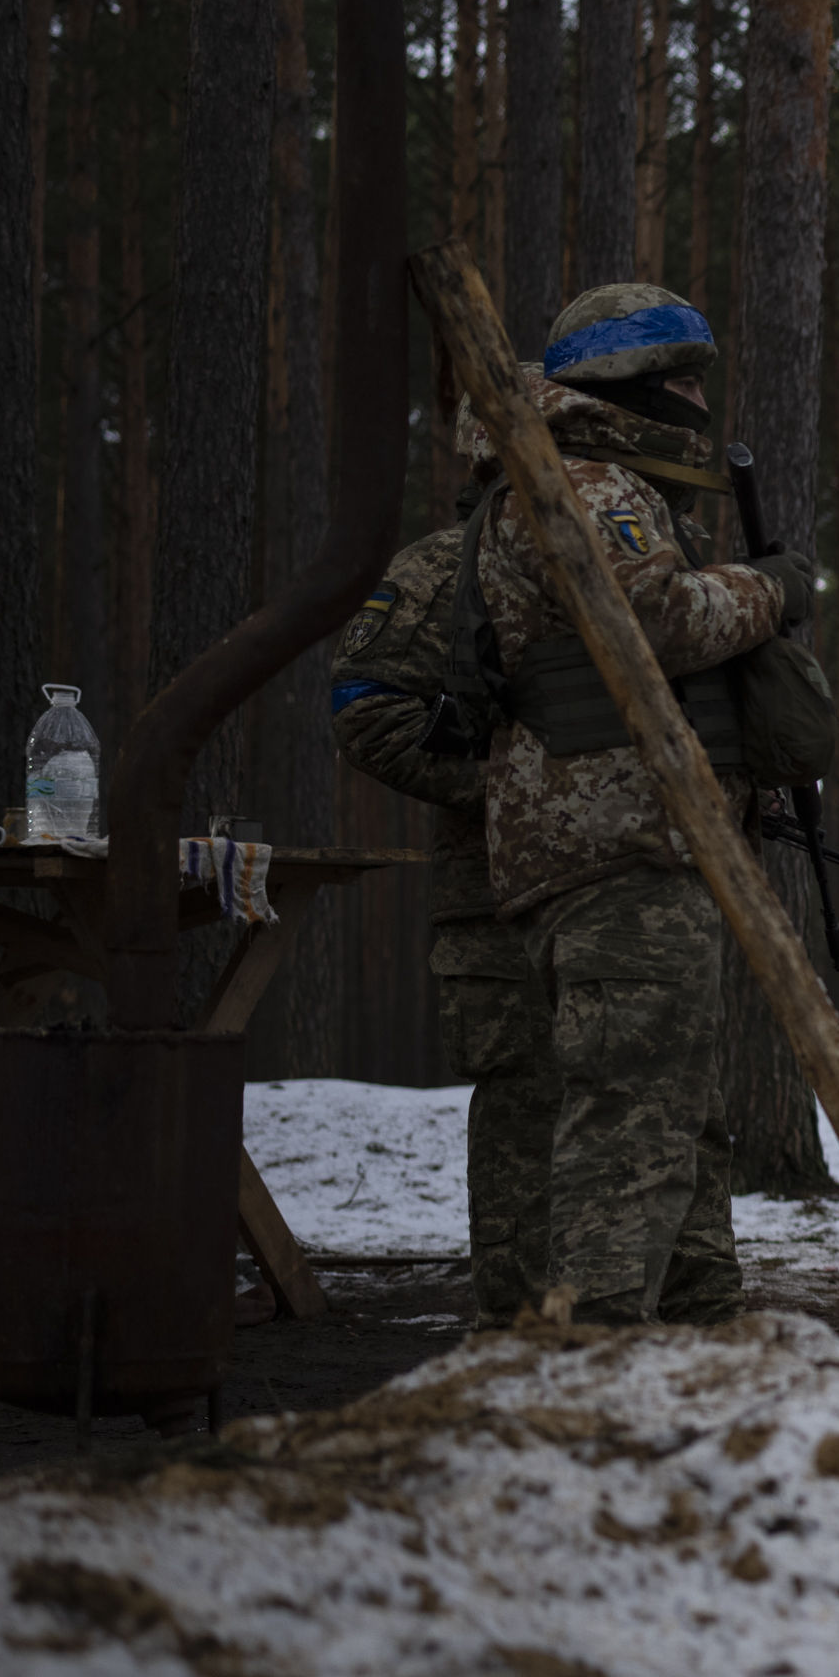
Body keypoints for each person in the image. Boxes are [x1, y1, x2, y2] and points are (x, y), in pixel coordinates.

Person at [469, 281, 803, 1323]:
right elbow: (649, 621)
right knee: (632, 1119)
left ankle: (697, 1328)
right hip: (619, 842)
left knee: (676, 1106)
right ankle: (597, 1350)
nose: (700, 400)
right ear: (633, 382)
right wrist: (774, 589)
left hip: (630, 840)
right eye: (684, 379)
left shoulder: (590, 481)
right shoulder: (591, 487)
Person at [326, 465, 557, 1327]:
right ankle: (522, 1331)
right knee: (523, 1108)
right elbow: (365, 710)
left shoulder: (623, 555)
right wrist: (515, 786)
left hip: (623, 892)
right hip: (496, 893)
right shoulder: (441, 567)